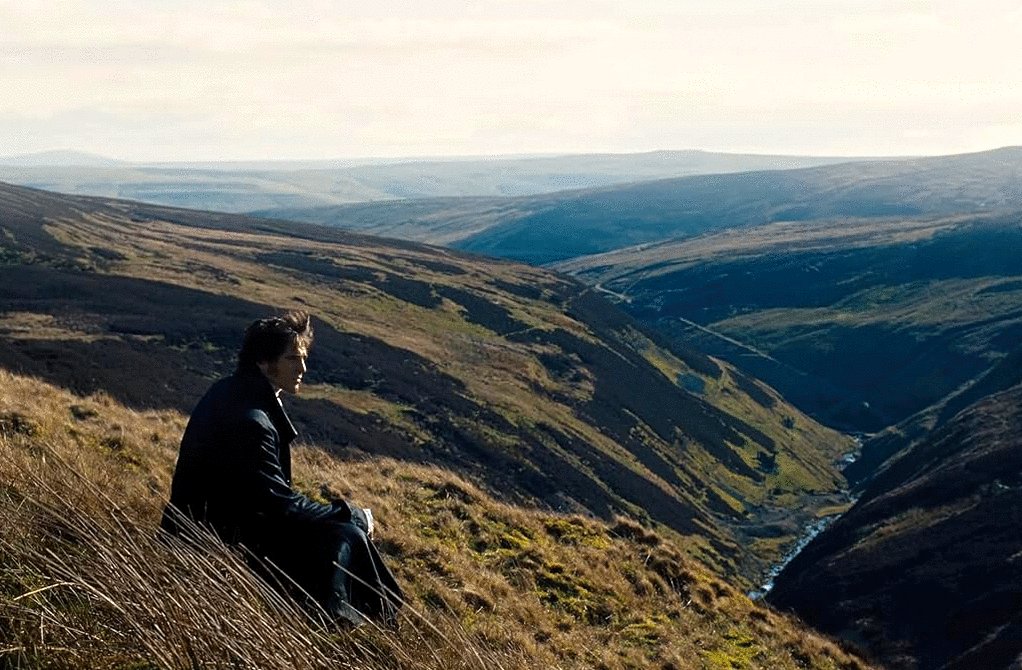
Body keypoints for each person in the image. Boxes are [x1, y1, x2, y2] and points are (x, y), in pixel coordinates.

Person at [160, 311, 402, 626]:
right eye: (292, 359)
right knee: (347, 534)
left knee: (340, 532)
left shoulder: (229, 390)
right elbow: (275, 506)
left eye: (302, 357)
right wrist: (351, 514)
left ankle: (348, 619)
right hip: (217, 539)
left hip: (211, 525)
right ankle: (344, 623)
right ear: (263, 361)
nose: (303, 368)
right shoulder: (252, 422)